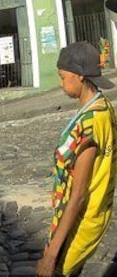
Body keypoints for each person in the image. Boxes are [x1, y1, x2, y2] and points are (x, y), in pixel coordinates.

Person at [36, 42, 117, 277]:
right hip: (80, 217)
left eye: (63, 77)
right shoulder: (102, 106)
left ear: (80, 75)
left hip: (80, 222)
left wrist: (50, 256)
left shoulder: (91, 123)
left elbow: (79, 194)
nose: (61, 84)